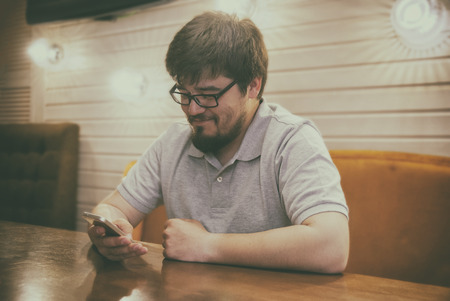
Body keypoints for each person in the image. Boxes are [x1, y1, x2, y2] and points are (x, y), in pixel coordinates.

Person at [88, 11, 349, 274]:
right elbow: (112, 207)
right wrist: (107, 229)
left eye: (208, 95)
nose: (192, 110)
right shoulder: (173, 141)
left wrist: (207, 245)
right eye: (185, 93)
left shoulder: (291, 139)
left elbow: (332, 246)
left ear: (253, 86)